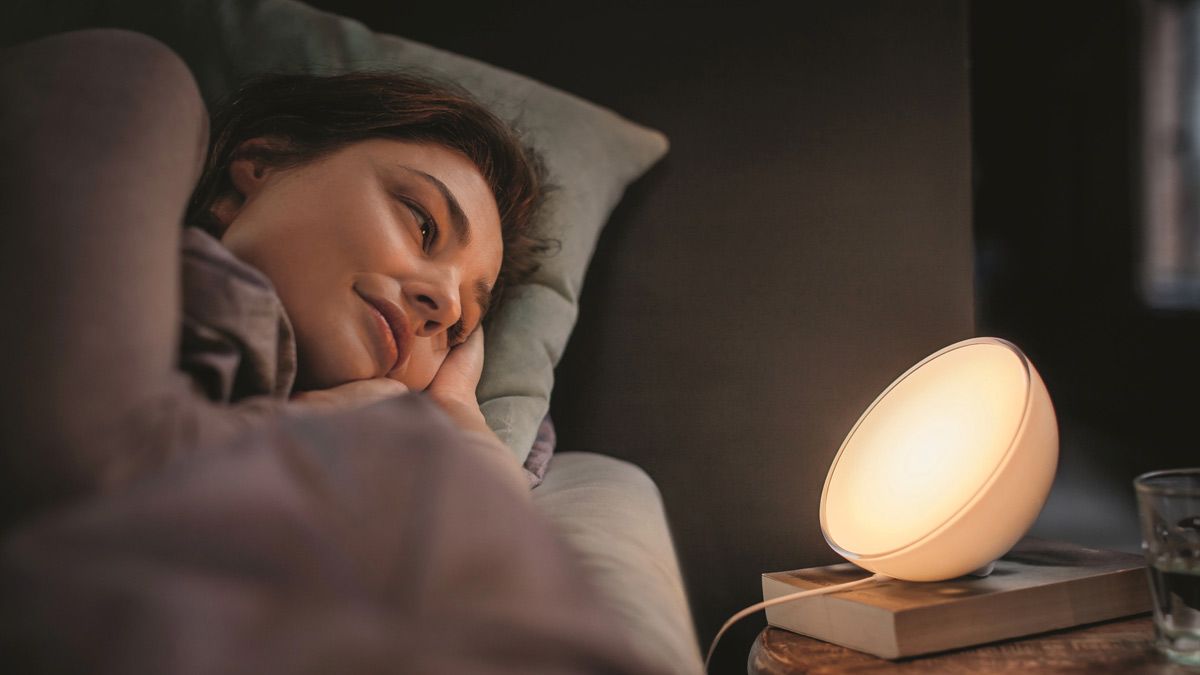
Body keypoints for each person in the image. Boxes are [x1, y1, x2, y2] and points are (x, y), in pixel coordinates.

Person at [0, 28, 662, 674]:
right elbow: (81, 458)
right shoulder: (131, 84)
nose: (447, 307)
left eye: (461, 327)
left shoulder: (324, 466)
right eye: (423, 221)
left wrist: (459, 414)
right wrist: (355, 411)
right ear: (258, 167)